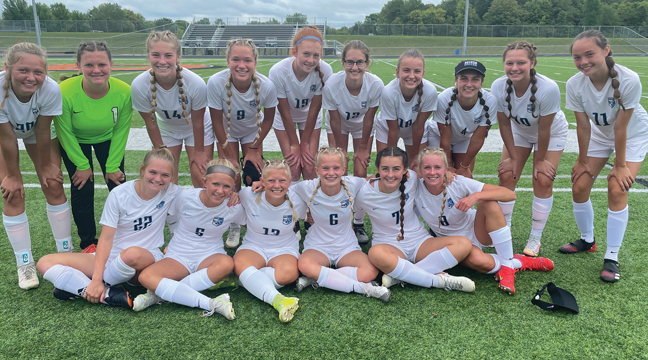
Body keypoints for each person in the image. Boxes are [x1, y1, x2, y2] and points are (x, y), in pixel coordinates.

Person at [36, 148, 178, 308]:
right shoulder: (119, 194)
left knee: (131, 254)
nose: (158, 179)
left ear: (172, 176)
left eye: (165, 175)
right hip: (111, 258)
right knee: (44, 263)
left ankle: (79, 285)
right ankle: (108, 294)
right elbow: (106, 238)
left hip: (146, 259)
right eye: (153, 172)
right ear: (142, 168)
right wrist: (96, 279)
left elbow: (203, 200)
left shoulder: (173, 193)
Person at [559, 30, 648, 282]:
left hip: (632, 134)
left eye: (590, 54)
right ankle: (587, 240)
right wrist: (582, 160)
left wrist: (619, 166)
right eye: (578, 57)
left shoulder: (628, 80)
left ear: (606, 50)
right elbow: (583, 125)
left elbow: (621, 128)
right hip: (600, 133)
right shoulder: (575, 83)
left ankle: (612, 257)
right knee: (579, 185)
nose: (583, 61)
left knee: (617, 188)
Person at [415, 147, 554, 295]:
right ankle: (520, 261)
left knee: (488, 201)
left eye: (437, 167)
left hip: (478, 230)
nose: (432, 172)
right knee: (482, 263)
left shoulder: (457, 182)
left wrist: (475, 196)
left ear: (446, 169)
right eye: (427, 167)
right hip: (454, 242)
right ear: (419, 170)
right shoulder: (414, 187)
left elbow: (509, 195)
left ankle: (507, 267)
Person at [0, 42, 72, 290]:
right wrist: (12, 174)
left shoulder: (51, 89)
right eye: (23, 71)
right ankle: (25, 264)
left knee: (53, 183)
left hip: (36, 133)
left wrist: (45, 167)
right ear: (8, 68)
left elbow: (42, 131)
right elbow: (7, 138)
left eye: (38, 72)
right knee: (12, 193)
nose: (31, 78)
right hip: (2, 135)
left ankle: (67, 252)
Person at [132, 158, 242, 318]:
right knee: (145, 277)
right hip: (179, 255)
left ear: (233, 187)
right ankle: (211, 303)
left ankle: (160, 294)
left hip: (209, 256)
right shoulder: (185, 197)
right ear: (204, 181)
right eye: (215, 184)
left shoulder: (234, 206)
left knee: (226, 264)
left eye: (227, 186)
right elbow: (166, 214)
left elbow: (255, 218)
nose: (220, 191)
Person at [355, 146, 475, 292]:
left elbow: (432, 175)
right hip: (389, 246)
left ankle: (402, 276)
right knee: (375, 253)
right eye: (385, 169)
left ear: (405, 169)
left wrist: (446, 173)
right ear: (378, 169)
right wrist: (356, 224)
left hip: (420, 242)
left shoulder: (412, 179)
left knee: (463, 244)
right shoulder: (365, 193)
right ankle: (440, 281)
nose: (391, 174)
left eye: (396, 169)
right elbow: (352, 210)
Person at [490, 41, 568, 257]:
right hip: (520, 131)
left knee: (542, 178)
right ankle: (503, 230)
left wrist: (540, 161)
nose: (514, 67)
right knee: (507, 175)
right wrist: (514, 158)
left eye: (521, 62)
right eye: (509, 63)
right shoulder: (498, 86)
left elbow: (544, 131)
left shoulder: (548, 88)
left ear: (532, 63)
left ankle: (535, 238)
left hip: (551, 132)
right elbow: (504, 124)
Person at [55, 41, 132, 253]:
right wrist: (81, 164)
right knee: (83, 186)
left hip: (108, 139)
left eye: (102, 64)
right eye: (89, 65)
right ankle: (88, 242)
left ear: (111, 65)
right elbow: (64, 131)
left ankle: (128, 236)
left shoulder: (124, 91)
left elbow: (121, 129)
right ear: (78, 66)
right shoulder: (63, 91)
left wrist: (113, 165)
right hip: (75, 141)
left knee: (119, 185)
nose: (96, 70)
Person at [288, 147, 389, 301]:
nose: (331, 173)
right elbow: (284, 190)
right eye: (325, 168)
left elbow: (374, 180)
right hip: (318, 246)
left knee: (370, 271)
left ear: (343, 169)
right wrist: (304, 214)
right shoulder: (307, 187)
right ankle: (364, 288)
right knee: (304, 264)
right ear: (317, 170)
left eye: (336, 168)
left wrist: (406, 174)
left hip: (346, 246)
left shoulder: (353, 184)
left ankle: (316, 278)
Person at [208, 38, 277, 249]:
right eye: (236, 59)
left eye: (247, 60)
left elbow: (269, 118)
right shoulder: (215, 82)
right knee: (231, 176)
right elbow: (216, 120)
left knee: (254, 176)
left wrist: (255, 148)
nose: (241, 65)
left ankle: (257, 221)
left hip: (251, 133)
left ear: (255, 62)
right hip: (225, 132)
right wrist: (228, 154)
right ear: (228, 60)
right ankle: (234, 224)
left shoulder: (266, 85)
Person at [131, 30, 214, 187]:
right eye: (156, 55)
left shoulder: (195, 83)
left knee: (201, 176)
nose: (162, 61)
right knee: (164, 178)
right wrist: (160, 151)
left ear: (178, 56)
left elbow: (197, 122)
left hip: (196, 129)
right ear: (148, 55)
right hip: (167, 130)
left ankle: (203, 211)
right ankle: (168, 212)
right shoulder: (139, 85)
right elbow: (151, 123)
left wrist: (199, 151)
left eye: (168, 55)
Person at [322, 40, 383, 245]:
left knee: (359, 172)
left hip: (362, 127)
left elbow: (369, 118)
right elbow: (334, 118)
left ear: (367, 63)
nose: (354, 67)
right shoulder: (332, 84)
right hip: (337, 125)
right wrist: (340, 151)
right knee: (338, 170)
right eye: (350, 62)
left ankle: (357, 223)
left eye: (359, 62)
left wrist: (363, 148)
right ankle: (339, 222)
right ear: (342, 62)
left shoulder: (375, 84)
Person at [233, 159, 306, 322]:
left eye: (282, 181)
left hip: (284, 248)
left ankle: (244, 279)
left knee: (288, 275)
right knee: (240, 264)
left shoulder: (298, 201)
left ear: (290, 182)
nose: (277, 185)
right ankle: (279, 300)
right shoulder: (247, 194)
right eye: (271, 180)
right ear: (263, 181)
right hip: (254, 246)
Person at [268, 25, 333, 182]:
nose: (311, 60)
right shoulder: (278, 72)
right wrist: (295, 144)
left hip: (310, 117)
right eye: (306, 54)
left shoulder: (326, 70)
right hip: (284, 119)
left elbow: (315, 109)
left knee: (310, 168)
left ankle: (312, 205)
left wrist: (304, 143)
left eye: (316, 56)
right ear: (294, 52)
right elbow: (284, 112)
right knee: (294, 168)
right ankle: (293, 205)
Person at [426, 60, 496, 178]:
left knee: (464, 178)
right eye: (464, 79)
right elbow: (445, 137)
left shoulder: (490, 101)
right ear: (456, 81)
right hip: (437, 135)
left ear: (481, 83)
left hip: (464, 139)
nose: (469, 84)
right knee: (440, 175)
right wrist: (447, 165)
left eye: (475, 79)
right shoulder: (444, 98)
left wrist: (464, 167)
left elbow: (478, 139)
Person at [374, 49, 437, 171]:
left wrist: (414, 157)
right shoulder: (388, 92)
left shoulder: (430, 91)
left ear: (423, 73)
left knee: (417, 168)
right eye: (406, 70)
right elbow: (393, 129)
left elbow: (419, 126)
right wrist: (392, 160)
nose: (412, 76)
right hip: (388, 129)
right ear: (397, 72)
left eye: (417, 71)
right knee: (387, 167)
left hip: (415, 129)